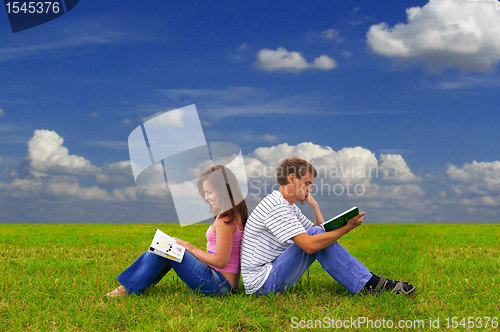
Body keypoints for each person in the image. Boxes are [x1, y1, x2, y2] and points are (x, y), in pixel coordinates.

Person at [241, 157, 415, 296]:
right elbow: (309, 245)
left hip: (269, 276)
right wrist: (347, 227)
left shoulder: (288, 206)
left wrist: (315, 206)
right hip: (263, 285)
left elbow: (317, 230)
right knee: (314, 238)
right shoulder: (276, 206)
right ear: (292, 178)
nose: (309, 189)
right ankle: (370, 285)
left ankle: (369, 283)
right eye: (307, 183)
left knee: (316, 233)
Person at [107, 165, 247, 297]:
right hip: (223, 283)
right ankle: (138, 285)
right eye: (205, 192)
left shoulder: (225, 220)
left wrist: (189, 247)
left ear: (223, 189)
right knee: (167, 248)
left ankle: (127, 289)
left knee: (163, 248)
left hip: (218, 284)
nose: (206, 197)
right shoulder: (236, 214)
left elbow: (221, 261)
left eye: (209, 192)